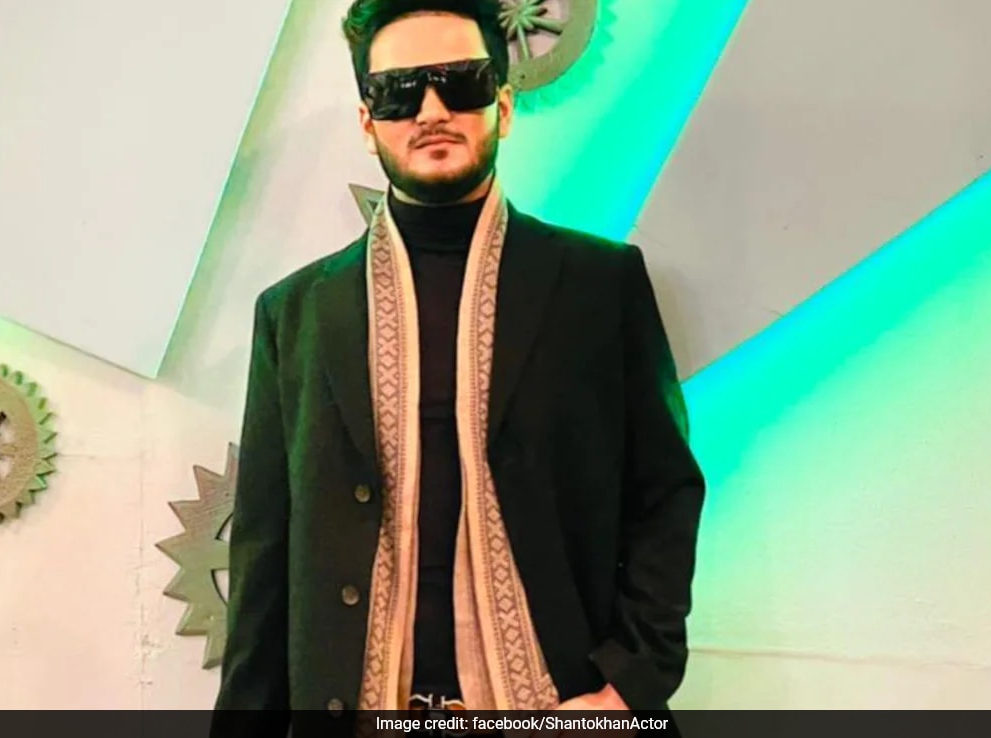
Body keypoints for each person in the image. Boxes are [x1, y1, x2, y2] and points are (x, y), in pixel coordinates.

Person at [212, 0, 705, 733]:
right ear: (367, 122)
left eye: (461, 82)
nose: (432, 111)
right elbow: (264, 552)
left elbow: (664, 494)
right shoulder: (297, 314)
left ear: (503, 106)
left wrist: (628, 688)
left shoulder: (600, 286)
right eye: (399, 92)